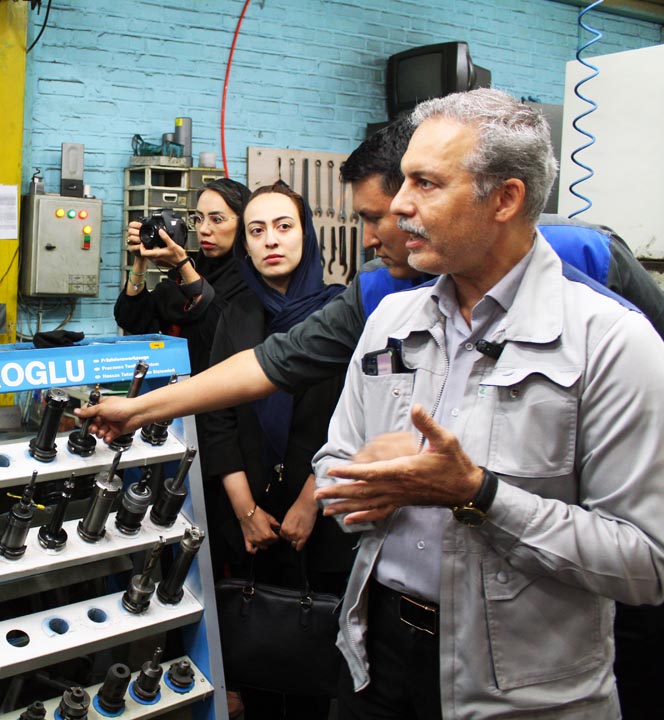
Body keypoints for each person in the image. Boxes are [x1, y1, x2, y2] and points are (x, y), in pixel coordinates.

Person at [312, 88, 664, 717]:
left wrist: (478, 495)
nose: (399, 205)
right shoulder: (390, 320)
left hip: (520, 692)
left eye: (426, 183)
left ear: (505, 199)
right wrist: (364, 482)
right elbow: (332, 464)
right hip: (373, 662)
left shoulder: (611, 341)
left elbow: (646, 564)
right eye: (403, 181)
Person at [77, 118, 664, 437]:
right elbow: (270, 363)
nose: (370, 238)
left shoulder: (589, 259)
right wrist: (141, 409)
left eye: (379, 217)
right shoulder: (383, 292)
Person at [202, 182, 350, 718]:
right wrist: (245, 511)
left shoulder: (343, 311)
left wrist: (311, 501)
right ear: (244, 244)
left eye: (284, 227)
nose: (271, 241)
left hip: (325, 512)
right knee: (260, 659)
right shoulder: (236, 315)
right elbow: (217, 415)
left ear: (306, 234)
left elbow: (355, 417)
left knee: (316, 672)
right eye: (256, 230)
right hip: (254, 523)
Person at [115, 178, 251, 375]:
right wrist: (140, 259)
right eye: (198, 219)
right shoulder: (190, 271)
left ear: (244, 223)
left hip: (223, 390)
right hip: (179, 388)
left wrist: (183, 265)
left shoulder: (254, 280)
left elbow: (221, 335)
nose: (203, 229)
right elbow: (131, 319)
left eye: (217, 219)